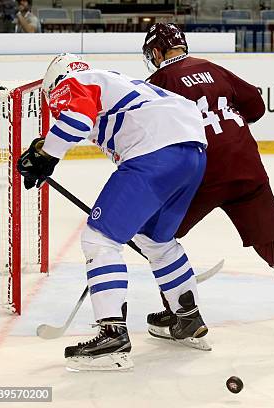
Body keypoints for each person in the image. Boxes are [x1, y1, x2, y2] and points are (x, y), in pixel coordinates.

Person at [140, 23, 274, 349]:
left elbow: (148, 143)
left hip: (198, 174)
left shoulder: (157, 83)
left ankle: (181, 315)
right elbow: (256, 106)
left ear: (156, 53)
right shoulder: (213, 69)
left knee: (152, 237)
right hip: (247, 168)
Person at [17, 53, 208, 371]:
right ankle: (188, 319)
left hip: (154, 154)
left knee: (100, 240)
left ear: (55, 83)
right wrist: (44, 147)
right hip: (194, 155)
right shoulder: (113, 82)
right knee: (155, 240)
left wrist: (46, 157)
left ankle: (112, 336)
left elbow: (76, 121)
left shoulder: (74, 82)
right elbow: (89, 124)